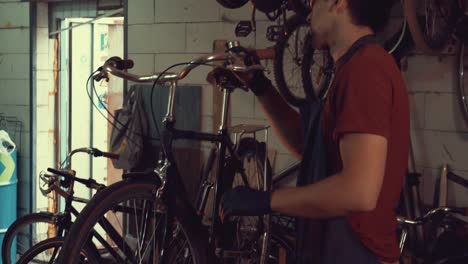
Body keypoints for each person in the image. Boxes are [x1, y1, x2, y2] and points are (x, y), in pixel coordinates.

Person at [209, 0, 409, 263]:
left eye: (315, 2)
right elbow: (309, 146)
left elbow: (358, 191)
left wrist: (268, 200)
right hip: (331, 249)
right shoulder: (349, 68)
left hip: (356, 254)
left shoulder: (366, 69)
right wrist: (259, 84)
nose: (308, 11)